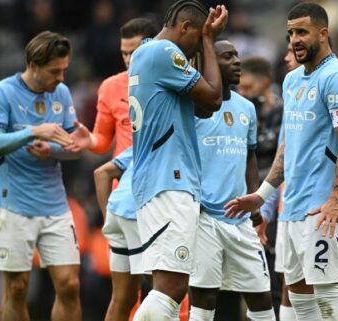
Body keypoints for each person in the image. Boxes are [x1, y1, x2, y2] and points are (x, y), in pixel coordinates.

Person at [225, 3, 338, 320]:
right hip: (293, 207)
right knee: (298, 297)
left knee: (327, 296)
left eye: (302, 32)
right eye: (290, 33)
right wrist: (262, 195)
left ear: (323, 33)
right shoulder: (292, 80)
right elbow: (288, 146)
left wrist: (336, 200)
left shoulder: (337, 78)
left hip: (323, 209)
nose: (295, 39)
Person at [128, 2, 228, 320]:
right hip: (169, 180)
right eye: (196, 40)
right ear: (184, 27)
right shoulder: (163, 53)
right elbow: (214, 98)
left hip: (155, 179)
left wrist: (202, 41)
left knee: (166, 285)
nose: (197, 48)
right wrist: (210, 41)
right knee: (171, 289)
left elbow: (201, 108)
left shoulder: (146, 52)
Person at [0, 31, 89, 321]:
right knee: (17, 287)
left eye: (64, 70)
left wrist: (51, 149)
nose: (61, 78)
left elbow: (72, 148)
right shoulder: (1, 93)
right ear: (33, 65)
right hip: (13, 202)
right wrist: (32, 131)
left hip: (54, 204)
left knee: (69, 284)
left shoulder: (61, 94)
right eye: (55, 71)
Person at [188, 39, 276, 321]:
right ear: (209, 63)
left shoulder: (246, 108)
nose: (237, 61)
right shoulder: (192, 108)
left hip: (240, 220)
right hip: (205, 218)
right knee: (204, 301)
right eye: (227, 56)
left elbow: (250, 158)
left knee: (262, 299)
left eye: (237, 55)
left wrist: (254, 205)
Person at [259, 39, 300, 321]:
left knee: (325, 291)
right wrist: (264, 208)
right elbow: (282, 159)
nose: (286, 58)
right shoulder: (292, 93)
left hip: (322, 211)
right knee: (288, 287)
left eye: (292, 52)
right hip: (288, 210)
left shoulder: (334, 84)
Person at [87, 18, 158, 158]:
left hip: (162, 173)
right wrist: (88, 141)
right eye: (124, 53)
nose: (128, 60)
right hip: (124, 176)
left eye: (134, 53)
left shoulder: (173, 82)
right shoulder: (110, 87)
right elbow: (102, 139)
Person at [94, 147, 150, 321]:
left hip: (116, 212)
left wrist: (107, 222)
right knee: (165, 294)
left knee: (123, 298)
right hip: (140, 213)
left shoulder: (143, 138)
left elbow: (101, 173)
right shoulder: (184, 139)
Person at [238, 56, 284, 180]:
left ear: (265, 82)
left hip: (274, 184)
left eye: (247, 87)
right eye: (239, 88)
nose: (241, 93)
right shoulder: (238, 113)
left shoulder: (285, 112)